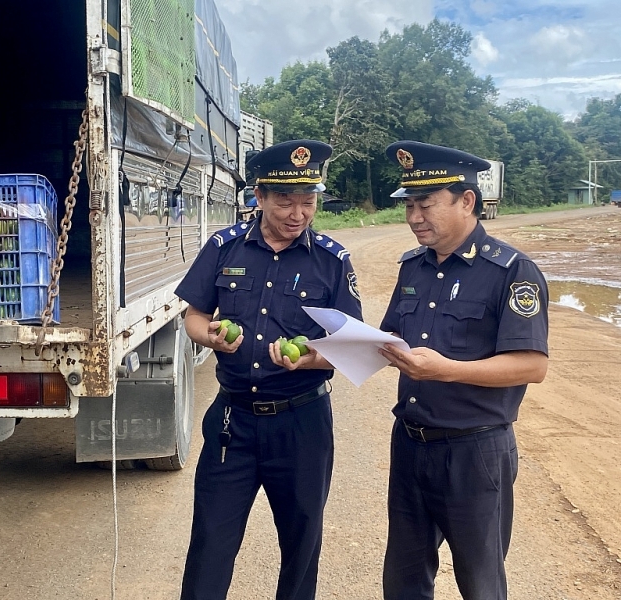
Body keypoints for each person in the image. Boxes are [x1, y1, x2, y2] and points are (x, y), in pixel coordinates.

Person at [176, 139, 363, 600]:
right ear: (258, 197)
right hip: (232, 422)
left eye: (308, 201)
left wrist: (313, 357)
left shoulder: (332, 260)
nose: (297, 213)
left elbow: (353, 347)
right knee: (210, 544)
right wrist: (209, 335)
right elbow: (193, 316)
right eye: (285, 201)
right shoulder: (224, 248)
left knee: (301, 546)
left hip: (302, 424)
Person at [378, 140, 549, 600]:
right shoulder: (412, 267)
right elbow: (387, 340)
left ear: (466, 201)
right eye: (409, 206)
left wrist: (448, 370)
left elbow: (531, 366)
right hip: (412, 446)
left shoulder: (511, 271)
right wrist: (328, 352)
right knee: (404, 581)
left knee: (480, 582)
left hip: (476, 454)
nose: (414, 217)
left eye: (426, 205)